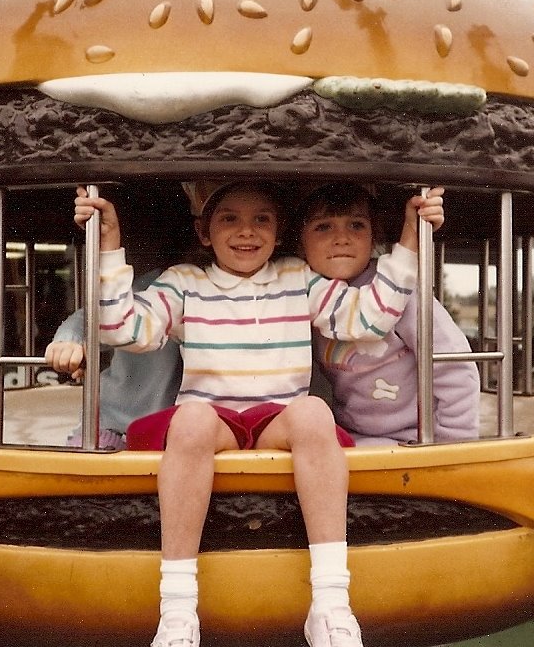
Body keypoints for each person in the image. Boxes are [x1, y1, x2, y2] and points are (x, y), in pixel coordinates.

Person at [74, 180, 444, 647]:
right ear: (204, 232)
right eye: (229, 218)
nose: (246, 232)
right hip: (213, 422)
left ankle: (331, 601)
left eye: (261, 220)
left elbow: (367, 319)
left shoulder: (297, 277)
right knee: (189, 418)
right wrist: (108, 247)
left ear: (278, 231)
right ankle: (178, 609)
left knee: (313, 412)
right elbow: (124, 330)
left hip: (277, 420)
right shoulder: (184, 281)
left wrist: (410, 238)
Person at [296, 183, 479, 445]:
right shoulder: (303, 293)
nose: (342, 238)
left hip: (417, 436)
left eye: (356, 225)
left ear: (373, 238)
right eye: (323, 226)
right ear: (300, 243)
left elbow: (454, 368)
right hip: (351, 435)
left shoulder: (401, 292)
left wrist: (456, 444)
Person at [43, 278, 182, 450]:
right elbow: (92, 316)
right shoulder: (156, 283)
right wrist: (70, 342)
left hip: (188, 429)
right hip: (118, 424)